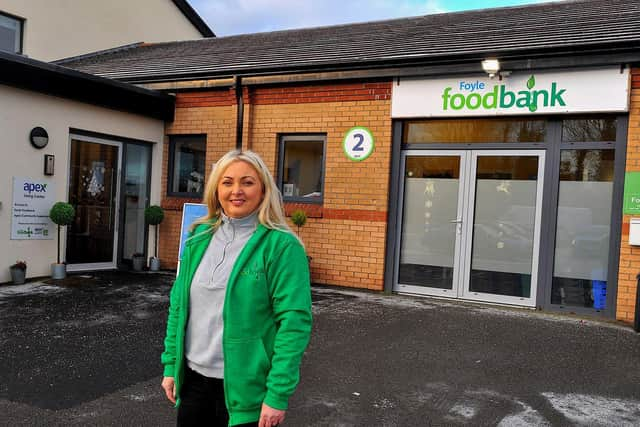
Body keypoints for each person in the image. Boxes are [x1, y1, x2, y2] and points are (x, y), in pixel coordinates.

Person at [161, 150, 312, 427]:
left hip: (248, 392)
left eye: (247, 182)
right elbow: (179, 306)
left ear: (263, 188)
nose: (236, 191)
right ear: (216, 189)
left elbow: (294, 324)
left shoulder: (281, 247)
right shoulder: (199, 236)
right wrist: (171, 365)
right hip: (194, 383)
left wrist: (277, 394)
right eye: (227, 182)